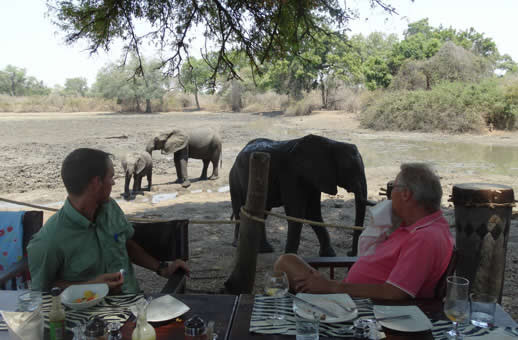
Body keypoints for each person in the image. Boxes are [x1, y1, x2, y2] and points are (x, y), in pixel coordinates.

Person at [274, 163, 454, 300]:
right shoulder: (425, 226)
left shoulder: (424, 238)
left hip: (362, 308)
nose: (391, 195)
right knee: (288, 261)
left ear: (406, 194)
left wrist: (331, 286)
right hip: (352, 297)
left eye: (394, 187)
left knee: (285, 264)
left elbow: (395, 292)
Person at [28, 148, 190, 293]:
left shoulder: (110, 208)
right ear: (96, 183)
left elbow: (125, 244)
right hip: (87, 319)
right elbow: (43, 290)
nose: (113, 182)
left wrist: (162, 268)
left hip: (131, 303)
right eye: (111, 177)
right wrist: (91, 286)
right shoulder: (49, 241)